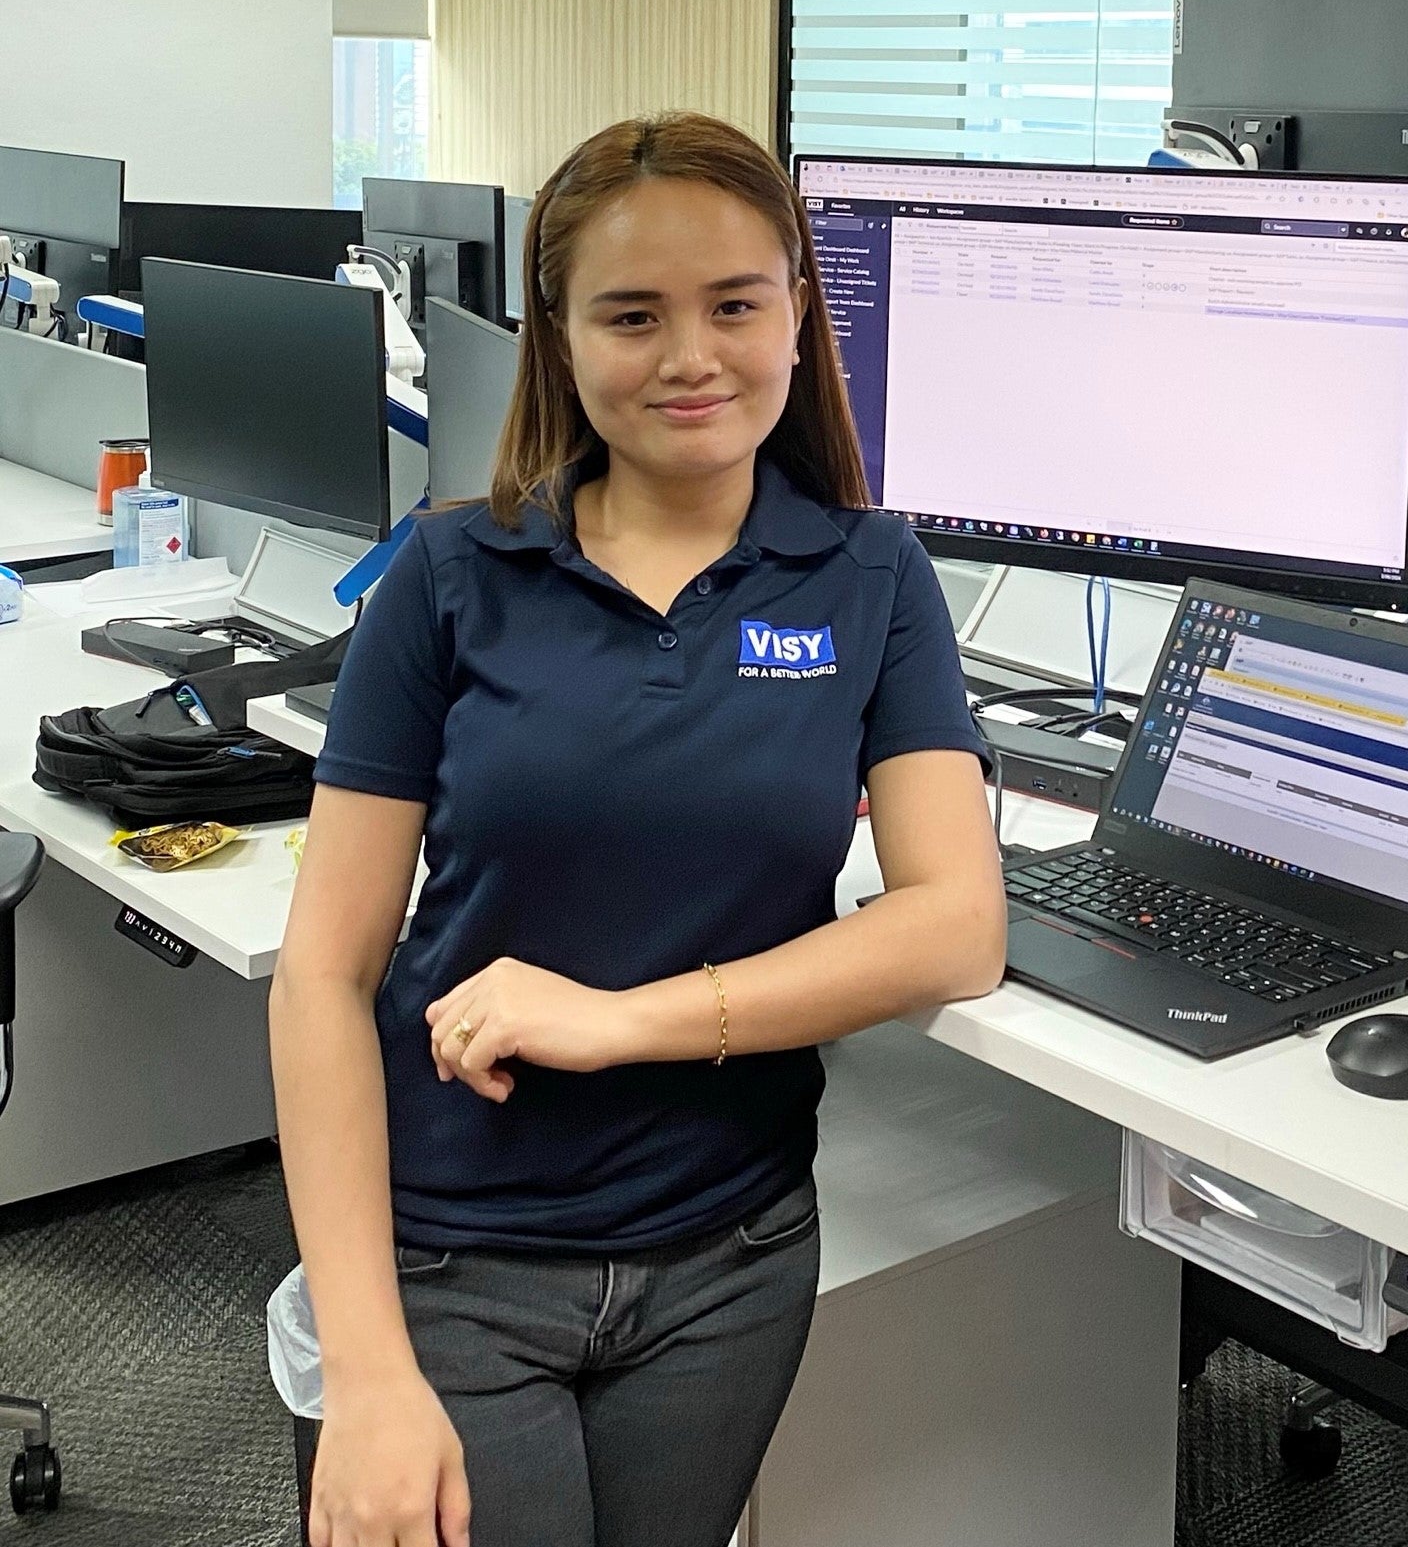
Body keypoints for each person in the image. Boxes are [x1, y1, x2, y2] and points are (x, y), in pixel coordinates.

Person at [268, 113, 1004, 1547]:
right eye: (632, 314)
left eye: (735, 303)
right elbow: (322, 973)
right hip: (459, 1254)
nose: (691, 356)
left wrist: (621, 1019)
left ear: (798, 310)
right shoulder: (448, 575)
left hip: (730, 1256)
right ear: (559, 332)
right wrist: (363, 1370)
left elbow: (956, 926)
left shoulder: (871, 574)